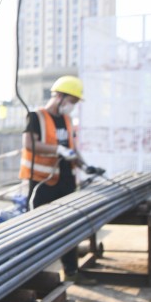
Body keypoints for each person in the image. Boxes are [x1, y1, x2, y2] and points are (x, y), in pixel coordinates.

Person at [19, 75, 96, 281]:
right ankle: (34, 277)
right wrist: (58, 149)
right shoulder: (36, 117)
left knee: (69, 227)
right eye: (72, 101)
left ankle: (71, 272)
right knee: (38, 229)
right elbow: (30, 144)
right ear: (60, 97)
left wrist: (86, 166)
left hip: (66, 182)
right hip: (43, 183)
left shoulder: (67, 120)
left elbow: (72, 149)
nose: (72, 106)